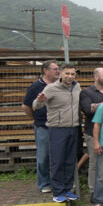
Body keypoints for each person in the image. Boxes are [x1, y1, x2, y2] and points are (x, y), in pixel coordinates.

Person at [33, 64, 81, 203]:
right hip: (57, 129)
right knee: (57, 161)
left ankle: (67, 190)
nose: (70, 76)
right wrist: (39, 100)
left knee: (69, 161)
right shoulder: (51, 88)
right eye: (67, 74)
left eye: (72, 74)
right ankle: (57, 192)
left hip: (73, 128)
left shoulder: (77, 87)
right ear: (61, 73)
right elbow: (36, 106)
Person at [23, 60, 59, 193]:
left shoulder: (59, 85)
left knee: (58, 155)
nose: (58, 71)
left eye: (58, 69)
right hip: (43, 126)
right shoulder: (35, 86)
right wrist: (35, 118)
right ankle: (44, 184)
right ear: (45, 70)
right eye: (55, 69)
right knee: (43, 156)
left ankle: (57, 181)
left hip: (58, 125)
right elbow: (26, 106)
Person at [79, 67, 103, 191]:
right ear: (96, 77)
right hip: (92, 133)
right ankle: (93, 189)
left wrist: (98, 105)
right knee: (94, 163)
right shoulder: (86, 92)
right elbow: (87, 109)